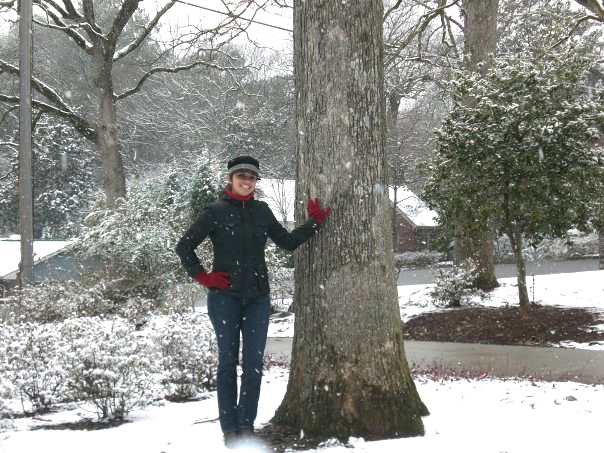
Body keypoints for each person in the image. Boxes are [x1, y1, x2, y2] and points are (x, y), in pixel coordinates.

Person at [175, 155, 330, 448]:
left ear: (256, 182)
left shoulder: (262, 210)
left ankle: (246, 427)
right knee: (227, 363)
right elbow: (184, 246)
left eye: (252, 177)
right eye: (241, 176)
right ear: (230, 179)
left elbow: (286, 242)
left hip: (258, 298)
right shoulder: (215, 211)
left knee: (254, 364)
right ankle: (230, 430)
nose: (247, 181)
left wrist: (313, 223)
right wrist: (204, 277)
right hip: (224, 299)